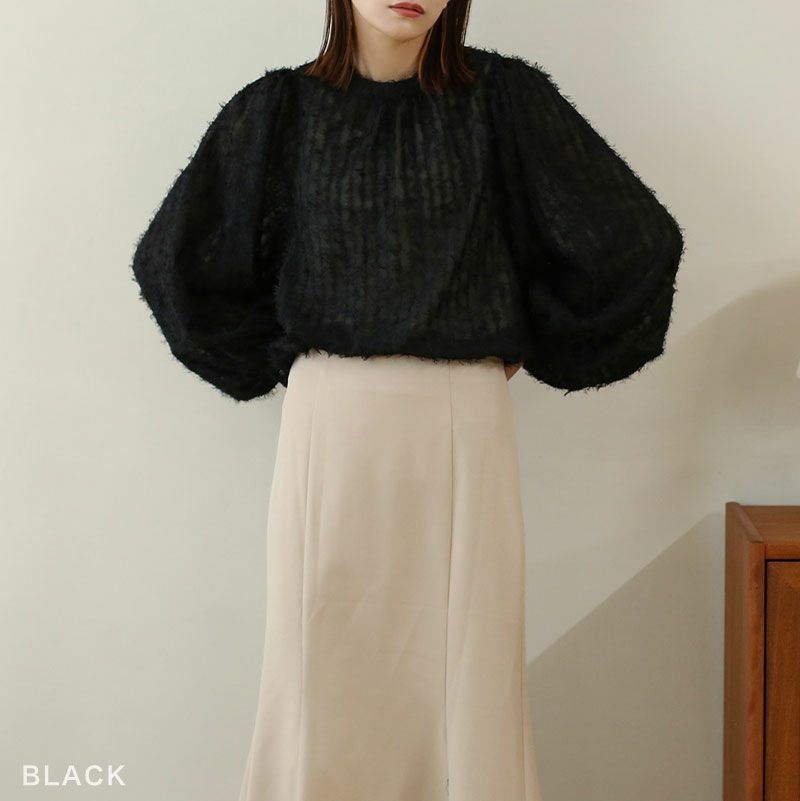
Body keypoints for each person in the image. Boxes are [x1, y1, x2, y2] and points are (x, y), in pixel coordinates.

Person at [130, 1, 686, 799]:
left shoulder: (502, 100)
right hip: (330, 423)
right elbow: (175, 260)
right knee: (319, 662)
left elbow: (634, 243)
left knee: (466, 671)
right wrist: (285, 354)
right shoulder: (280, 111)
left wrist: (516, 334)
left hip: (460, 419)